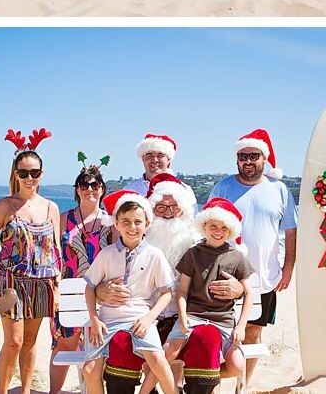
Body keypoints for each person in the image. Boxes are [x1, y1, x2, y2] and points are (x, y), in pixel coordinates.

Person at [208, 129, 297, 390]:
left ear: (264, 159)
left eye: (254, 156)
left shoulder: (279, 190)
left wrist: (289, 267)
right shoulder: (223, 187)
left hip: (265, 278)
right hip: (222, 276)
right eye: (243, 156)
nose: (248, 161)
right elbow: (206, 228)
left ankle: (241, 387)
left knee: (253, 334)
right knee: (219, 335)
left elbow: (291, 231)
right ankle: (212, 385)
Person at [0, 128, 61, 394]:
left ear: (41, 174)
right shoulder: (5, 205)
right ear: (16, 174)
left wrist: (57, 288)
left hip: (41, 283)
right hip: (10, 283)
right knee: (13, 342)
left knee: (29, 343)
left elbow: (56, 251)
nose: (29, 178)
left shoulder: (51, 207)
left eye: (34, 173)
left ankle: (24, 391)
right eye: (24, 172)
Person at [149, 198, 254, 394]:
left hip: (223, 322)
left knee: (237, 366)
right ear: (204, 226)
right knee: (167, 353)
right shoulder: (193, 254)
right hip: (193, 317)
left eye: (224, 228)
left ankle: (201, 376)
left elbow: (248, 293)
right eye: (213, 226)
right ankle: (146, 391)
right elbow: (182, 291)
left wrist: (240, 326)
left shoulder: (237, 256)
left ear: (231, 231)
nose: (218, 231)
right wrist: (182, 318)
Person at [83, 190, 177, 394]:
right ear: (116, 224)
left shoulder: (154, 255)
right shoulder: (107, 254)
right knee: (90, 370)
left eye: (137, 222)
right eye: (125, 221)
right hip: (107, 321)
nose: (132, 227)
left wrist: (150, 318)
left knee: (158, 360)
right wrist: (94, 319)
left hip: (140, 318)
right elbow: (90, 287)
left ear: (147, 224)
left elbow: (167, 292)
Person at [49, 160, 112, 394]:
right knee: (65, 343)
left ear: (102, 189)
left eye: (95, 185)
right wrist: (54, 287)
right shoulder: (65, 218)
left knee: (97, 346)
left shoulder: (109, 221)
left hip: (99, 291)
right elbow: (53, 254)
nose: (89, 190)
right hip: (67, 289)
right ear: (77, 190)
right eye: (84, 185)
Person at [124, 134, 196, 205]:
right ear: (143, 159)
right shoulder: (130, 191)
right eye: (149, 155)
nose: (155, 160)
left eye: (160, 155)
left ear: (168, 160)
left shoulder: (183, 190)